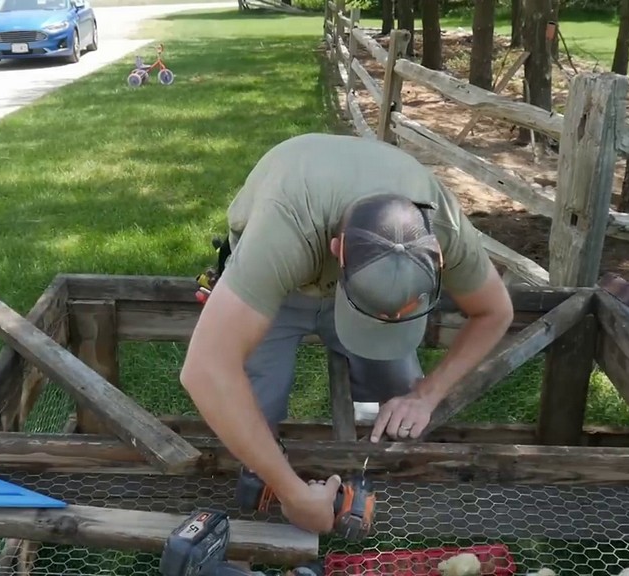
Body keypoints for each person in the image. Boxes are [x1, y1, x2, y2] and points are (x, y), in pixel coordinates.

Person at [179, 133, 514, 536]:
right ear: (338, 250)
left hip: (326, 238)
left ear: (437, 257)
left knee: (397, 392)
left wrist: (426, 394)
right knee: (254, 404)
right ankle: (263, 498)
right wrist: (292, 492)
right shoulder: (283, 230)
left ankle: (372, 483)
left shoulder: (443, 223)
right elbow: (205, 371)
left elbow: (496, 311)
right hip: (284, 288)